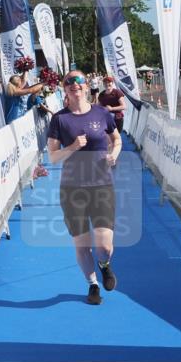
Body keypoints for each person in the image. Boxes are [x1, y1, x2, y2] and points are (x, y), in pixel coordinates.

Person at [46, 70, 122, 306]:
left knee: (104, 245)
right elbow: (53, 157)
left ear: (86, 86)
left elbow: (116, 140)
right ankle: (92, 284)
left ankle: (104, 265)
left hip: (101, 186)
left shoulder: (102, 113)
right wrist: (71, 147)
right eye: (68, 82)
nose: (74, 85)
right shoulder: (59, 119)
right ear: (64, 89)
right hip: (72, 189)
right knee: (81, 245)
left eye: (78, 81)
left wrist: (114, 155)